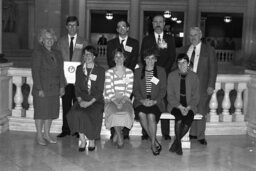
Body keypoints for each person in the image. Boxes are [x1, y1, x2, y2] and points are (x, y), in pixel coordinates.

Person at [140, 14, 176, 140]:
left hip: (164, 74)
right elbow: (142, 56)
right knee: (147, 96)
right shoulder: (147, 39)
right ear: (152, 24)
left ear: (164, 23)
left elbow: (172, 57)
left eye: (161, 21)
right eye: (155, 22)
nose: (158, 24)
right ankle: (145, 133)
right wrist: (152, 69)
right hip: (149, 72)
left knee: (163, 102)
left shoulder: (170, 39)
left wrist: (162, 72)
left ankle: (165, 132)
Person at [180, 27, 217, 145]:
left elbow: (213, 69)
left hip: (202, 84)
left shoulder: (209, 50)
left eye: (195, 35)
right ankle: (191, 133)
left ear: (200, 35)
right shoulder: (186, 49)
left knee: (201, 108)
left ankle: (200, 136)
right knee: (190, 107)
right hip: (187, 83)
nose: (193, 37)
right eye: (190, 35)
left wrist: (211, 85)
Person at [67, 46, 105, 152]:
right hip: (82, 100)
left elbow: (99, 90)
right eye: (85, 54)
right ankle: (82, 139)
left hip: (95, 101)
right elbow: (77, 87)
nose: (87, 56)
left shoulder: (100, 70)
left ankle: (91, 139)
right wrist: (80, 101)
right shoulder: (79, 69)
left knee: (91, 114)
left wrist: (89, 103)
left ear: (94, 56)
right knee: (75, 113)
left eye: (90, 54)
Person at [31, 28, 65, 146]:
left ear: (54, 39)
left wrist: (62, 86)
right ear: (42, 40)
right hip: (42, 89)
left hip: (54, 89)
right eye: (46, 38)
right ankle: (39, 135)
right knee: (40, 113)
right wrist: (39, 88)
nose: (49, 40)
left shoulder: (57, 53)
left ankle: (46, 133)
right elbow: (35, 72)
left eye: (51, 38)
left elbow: (61, 71)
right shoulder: (38, 52)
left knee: (50, 112)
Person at [107, 19, 139, 140]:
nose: (122, 28)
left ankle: (124, 132)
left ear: (128, 28)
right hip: (114, 78)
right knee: (113, 105)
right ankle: (113, 132)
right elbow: (110, 61)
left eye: (124, 26)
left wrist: (125, 72)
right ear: (116, 29)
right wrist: (117, 73)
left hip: (128, 78)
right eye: (119, 27)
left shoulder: (134, 43)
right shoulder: (111, 43)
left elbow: (134, 59)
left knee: (126, 104)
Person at [56, 16, 87, 138]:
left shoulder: (83, 42)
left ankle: (77, 130)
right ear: (66, 27)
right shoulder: (60, 42)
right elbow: (58, 62)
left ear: (78, 27)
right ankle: (66, 129)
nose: (72, 27)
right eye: (69, 25)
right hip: (64, 79)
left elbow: (86, 60)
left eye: (74, 25)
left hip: (78, 81)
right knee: (66, 105)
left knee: (78, 105)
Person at [133, 48, 166, 155]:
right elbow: (135, 90)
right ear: (144, 59)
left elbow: (163, 90)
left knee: (151, 115)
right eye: (147, 58)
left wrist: (155, 101)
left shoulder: (161, 71)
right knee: (142, 114)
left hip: (156, 102)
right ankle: (155, 141)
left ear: (156, 59)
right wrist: (142, 100)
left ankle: (152, 143)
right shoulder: (138, 71)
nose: (150, 61)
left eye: (152, 58)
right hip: (140, 101)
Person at [167, 53, 200, 155]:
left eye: (184, 63)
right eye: (179, 63)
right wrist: (180, 107)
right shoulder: (171, 76)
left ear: (188, 63)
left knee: (187, 122)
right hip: (175, 105)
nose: (182, 65)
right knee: (179, 120)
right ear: (177, 64)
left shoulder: (194, 76)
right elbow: (170, 96)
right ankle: (179, 146)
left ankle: (176, 143)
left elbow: (196, 96)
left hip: (190, 106)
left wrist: (188, 107)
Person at [104, 48, 134, 148]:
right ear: (113, 58)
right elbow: (109, 89)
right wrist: (117, 103)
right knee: (114, 113)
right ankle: (120, 137)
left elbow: (129, 89)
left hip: (125, 99)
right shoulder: (109, 72)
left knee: (126, 113)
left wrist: (123, 100)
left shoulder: (129, 72)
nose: (118, 58)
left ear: (124, 58)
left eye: (120, 56)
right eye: (116, 56)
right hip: (111, 99)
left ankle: (116, 135)